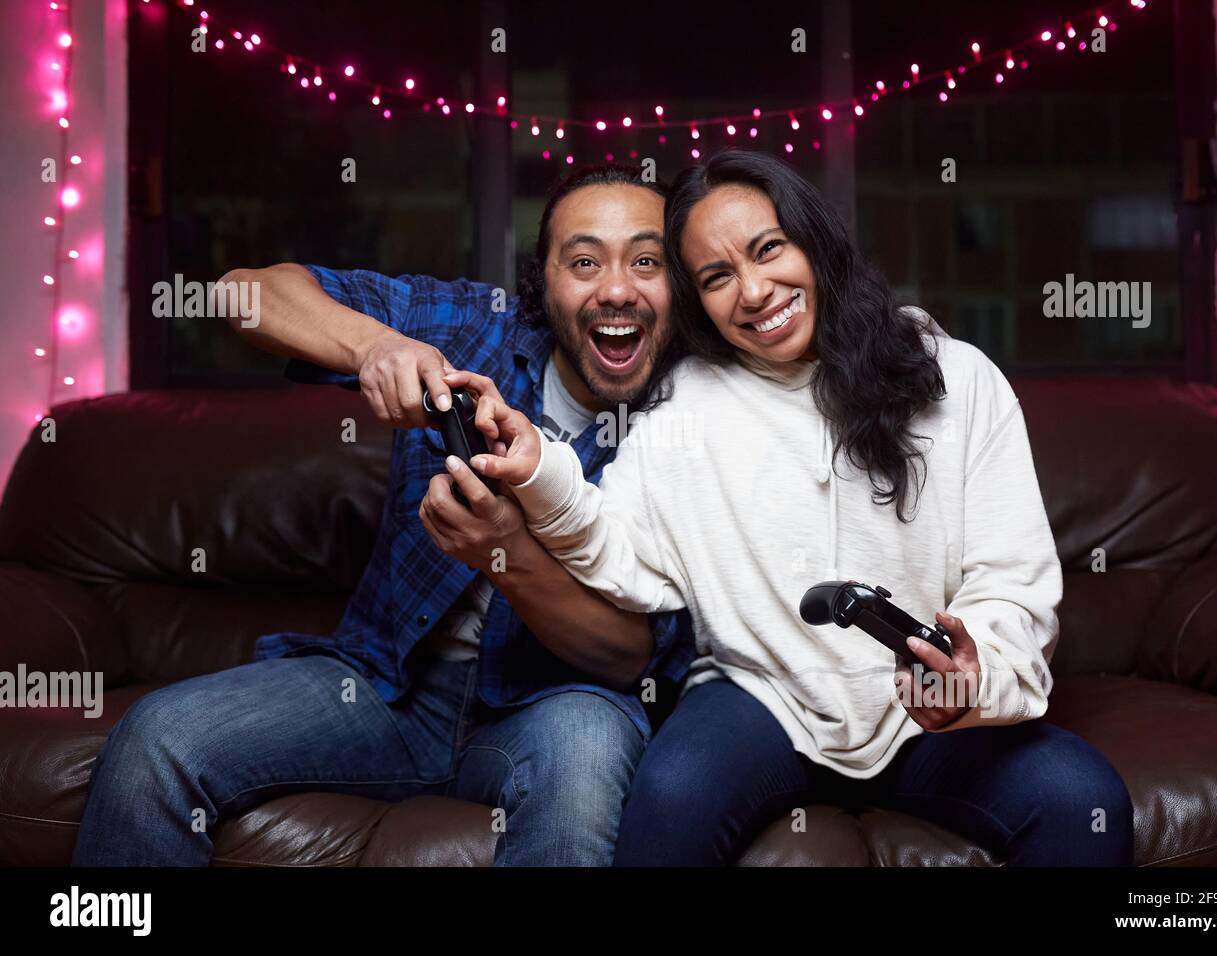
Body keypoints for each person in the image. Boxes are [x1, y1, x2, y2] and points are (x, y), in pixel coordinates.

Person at [461, 150, 1136, 866]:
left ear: (815, 241)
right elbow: (619, 552)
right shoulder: (684, 408)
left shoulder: (959, 379)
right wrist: (537, 468)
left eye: (768, 249)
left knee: (1082, 800)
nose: (753, 291)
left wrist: (972, 678)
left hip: (926, 714)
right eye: (717, 278)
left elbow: (1011, 581)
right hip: (761, 700)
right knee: (670, 796)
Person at [72, 164, 694, 867]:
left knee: (586, 752)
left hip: (554, 707)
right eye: (583, 262)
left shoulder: (705, 422)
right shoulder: (472, 329)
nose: (616, 289)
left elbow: (630, 656)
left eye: (648, 261)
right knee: (156, 737)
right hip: (383, 688)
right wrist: (377, 346)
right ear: (542, 284)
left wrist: (508, 553)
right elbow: (240, 292)